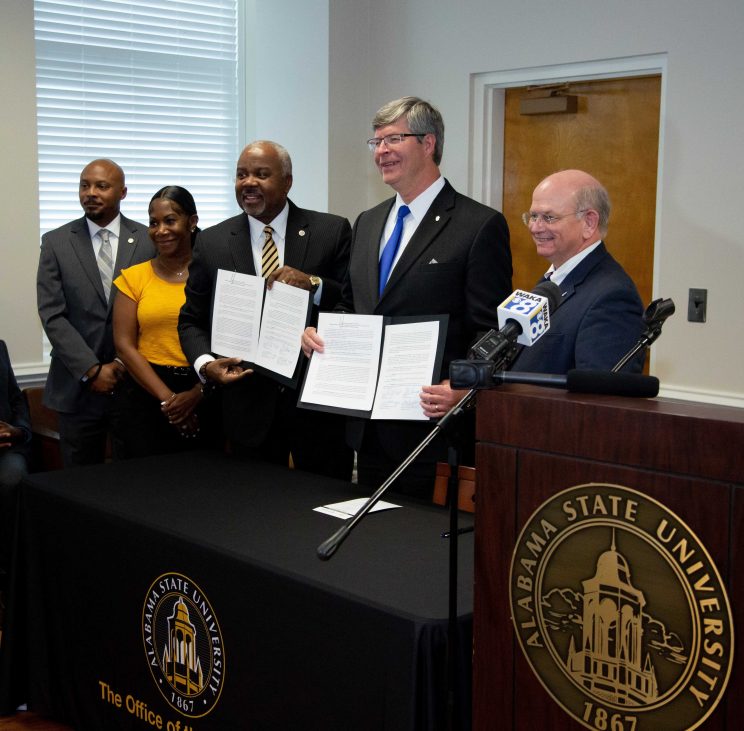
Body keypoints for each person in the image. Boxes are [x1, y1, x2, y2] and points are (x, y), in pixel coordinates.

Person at [302, 96, 513, 498]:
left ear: (428, 143)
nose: (381, 151)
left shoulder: (478, 225)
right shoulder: (367, 222)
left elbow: (492, 330)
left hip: (430, 425)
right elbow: (353, 306)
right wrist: (319, 335)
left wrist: (463, 386)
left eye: (393, 139)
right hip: (367, 428)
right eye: (376, 142)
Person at [178, 140, 354, 479]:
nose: (249, 183)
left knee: (322, 509)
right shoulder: (212, 242)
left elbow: (351, 302)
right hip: (246, 409)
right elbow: (190, 320)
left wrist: (314, 285)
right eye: (241, 175)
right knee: (256, 517)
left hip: (316, 407)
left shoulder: (331, 231)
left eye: (261, 174)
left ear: (287, 182)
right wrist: (205, 364)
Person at [37, 159, 155, 467]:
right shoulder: (56, 242)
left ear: (123, 192)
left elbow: (154, 311)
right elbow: (52, 314)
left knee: (135, 479)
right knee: (80, 485)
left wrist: (119, 362)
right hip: (77, 389)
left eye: (101, 186)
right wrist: (91, 369)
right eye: (84, 185)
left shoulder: (148, 240)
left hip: (133, 384)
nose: (91, 193)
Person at [112, 186, 220, 458]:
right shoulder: (133, 278)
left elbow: (229, 339)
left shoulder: (215, 276)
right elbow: (124, 346)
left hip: (205, 389)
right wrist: (170, 401)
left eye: (170, 220)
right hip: (147, 394)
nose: (160, 230)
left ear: (192, 222)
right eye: (153, 223)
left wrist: (197, 393)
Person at [509, 169, 645, 374]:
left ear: (589, 223)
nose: (535, 227)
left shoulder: (613, 298)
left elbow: (597, 400)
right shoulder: (551, 282)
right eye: (533, 216)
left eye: (548, 217)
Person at [0, 340, 31, 579]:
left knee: (13, 478)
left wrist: (19, 430)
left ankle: (13, 576)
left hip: (7, 447)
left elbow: (16, 398)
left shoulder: (0, 347)